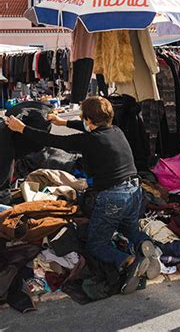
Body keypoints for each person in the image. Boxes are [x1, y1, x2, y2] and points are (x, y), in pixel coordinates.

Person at [6, 96, 156, 294]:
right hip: (135, 191)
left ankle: (129, 262)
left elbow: (53, 140)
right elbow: (89, 127)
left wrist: (22, 128)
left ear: (88, 120)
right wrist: (64, 122)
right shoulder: (116, 131)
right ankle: (143, 243)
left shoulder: (89, 140)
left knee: (96, 244)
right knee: (127, 227)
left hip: (113, 197)